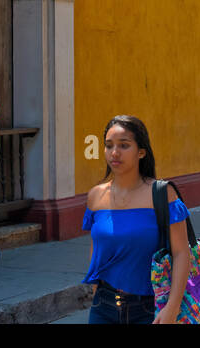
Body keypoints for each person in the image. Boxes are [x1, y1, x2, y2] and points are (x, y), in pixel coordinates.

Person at [81, 115, 191, 323]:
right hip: (103, 306)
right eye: (109, 145)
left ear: (141, 152)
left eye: (124, 145)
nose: (115, 153)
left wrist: (172, 307)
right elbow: (96, 247)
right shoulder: (95, 196)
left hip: (151, 307)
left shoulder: (162, 194)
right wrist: (97, 290)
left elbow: (181, 252)